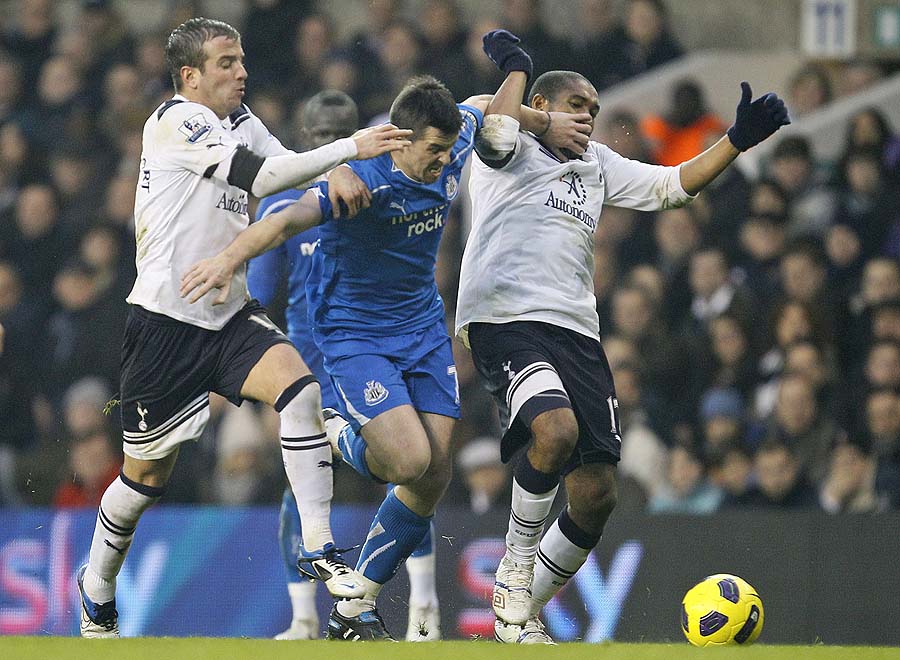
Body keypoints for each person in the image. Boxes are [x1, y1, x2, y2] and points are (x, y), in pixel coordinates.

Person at [180, 56, 590, 641]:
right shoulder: (361, 183)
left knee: (434, 472)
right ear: (397, 143)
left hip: (422, 328)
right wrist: (227, 259)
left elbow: (481, 107)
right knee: (407, 462)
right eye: (432, 152)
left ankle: (355, 604)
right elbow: (285, 219)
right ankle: (336, 432)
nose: (445, 162)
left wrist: (543, 123)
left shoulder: (454, 137)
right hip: (354, 337)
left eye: (450, 149)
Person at [74, 17, 412, 639]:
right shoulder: (177, 121)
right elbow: (258, 179)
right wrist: (348, 149)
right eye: (226, 62)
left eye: (242, 59)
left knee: (300, 390)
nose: (241, 71)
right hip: (166, 323)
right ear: (189, 76)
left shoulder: (241, 119)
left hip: (226, 313)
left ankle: (319, 545)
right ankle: (96, 582)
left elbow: (286, 164)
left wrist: (333, 171)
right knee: (143, 480)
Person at [455, 30, 789, 644]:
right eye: (578, 104)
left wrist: (736, 141)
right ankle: (515, 565)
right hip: (505, 317)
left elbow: (671, 188)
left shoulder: (598, 164)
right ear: (544, 102)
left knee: (595, 496)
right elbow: (485, 112)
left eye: (594, 109)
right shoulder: (506, 141)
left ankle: (518, 615)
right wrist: (530, 100)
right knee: (551, 431)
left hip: (576, 330)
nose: (589, 116)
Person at [247, 89, 442, 642]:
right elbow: (261, 300)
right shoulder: (285, 204)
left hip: (369, 356)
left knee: (406, 473)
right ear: (305, 139)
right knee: (301, 485)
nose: (326, 145)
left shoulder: (384, 190)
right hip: (308, 370)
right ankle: (303, 617)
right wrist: (273, 387)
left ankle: (423, 611)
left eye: (338, 133)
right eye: (316, 136)